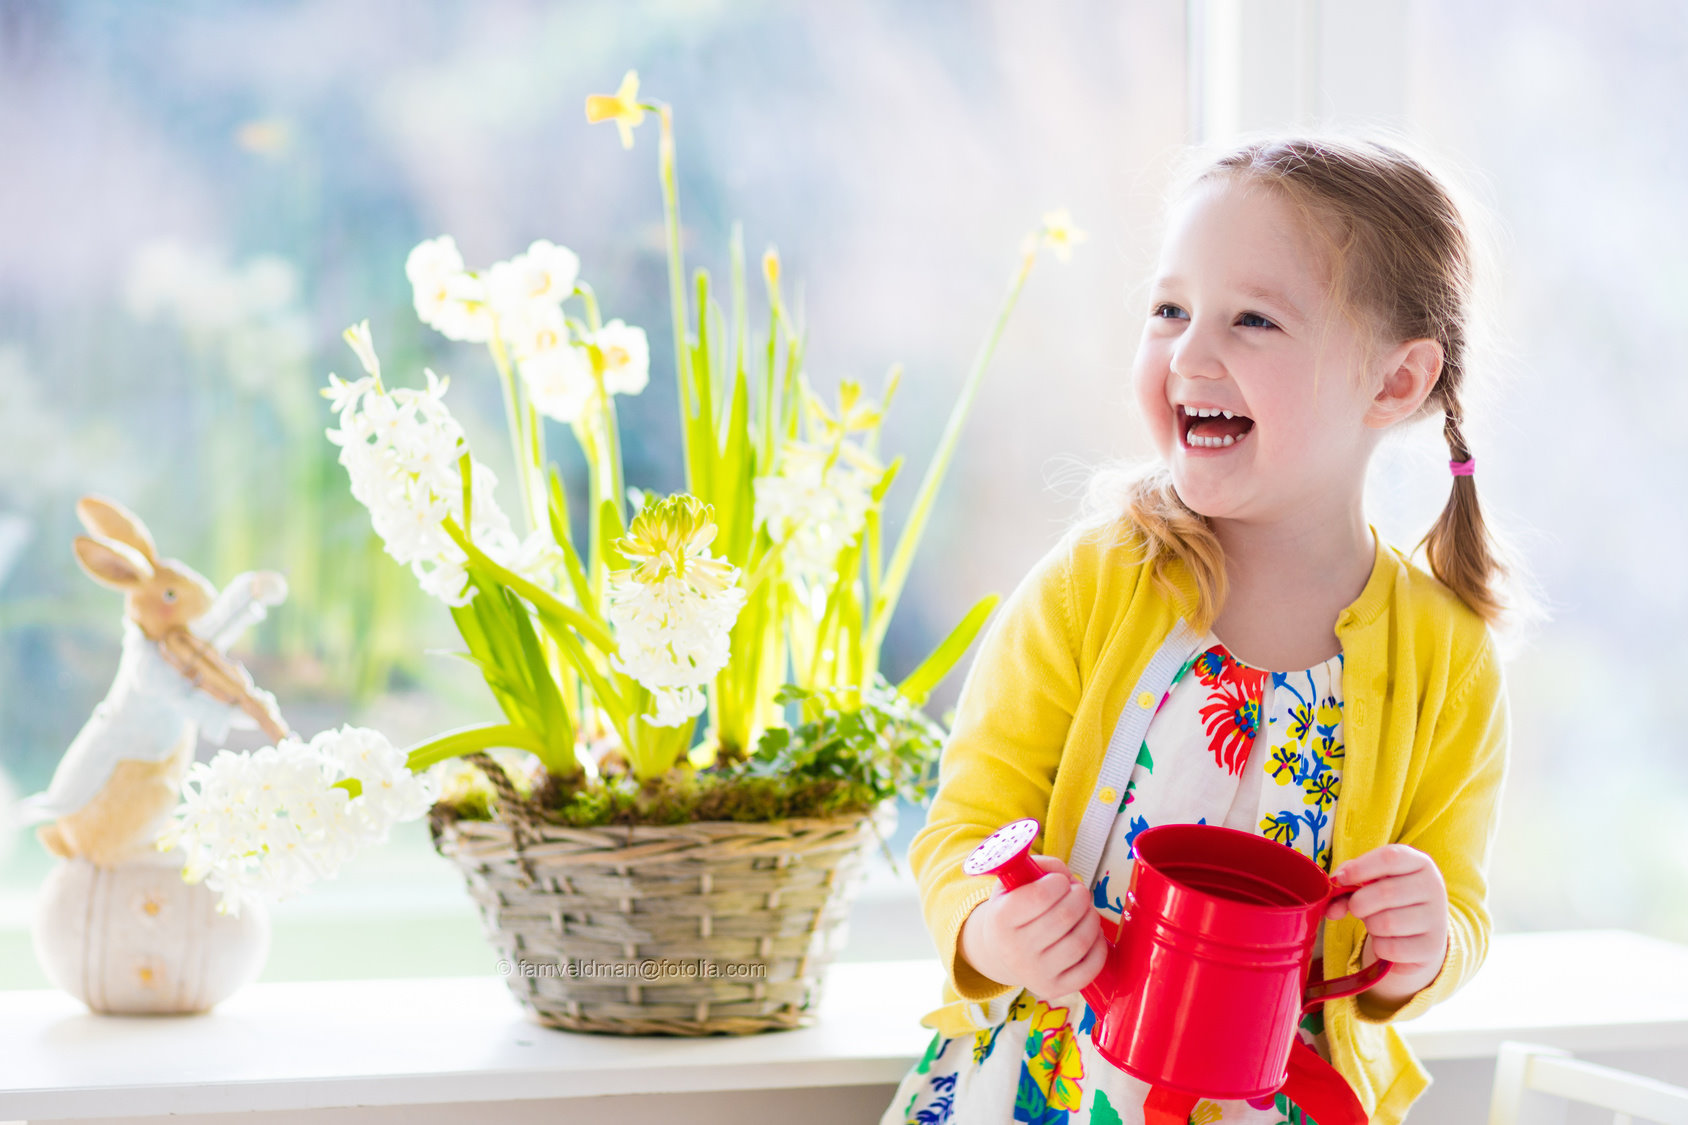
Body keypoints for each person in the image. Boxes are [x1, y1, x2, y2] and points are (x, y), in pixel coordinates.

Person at [880, 134, 1543, 1125]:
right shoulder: (1094, 584)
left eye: (1252, 321)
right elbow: (965, 827)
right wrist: (989, 929)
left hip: (1275, 1097)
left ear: (1393, 384)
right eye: (1168, 310)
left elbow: (1458, 909)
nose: (1190, 353)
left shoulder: (1445, 656)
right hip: (1042, 1088)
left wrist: (1425, 938)